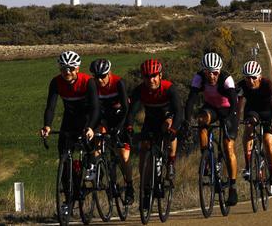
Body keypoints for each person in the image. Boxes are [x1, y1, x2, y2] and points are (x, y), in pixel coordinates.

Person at [39, 50, 99, 217]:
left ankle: (91, 162)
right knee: (65, 159)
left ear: (77, 68)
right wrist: (47, 125)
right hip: (70, 118)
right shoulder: (56, 82)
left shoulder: (88, 82)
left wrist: (91, 127)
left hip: (88, 116)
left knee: (88, 140)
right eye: (64, 68)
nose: (67, 72)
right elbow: (50, 106)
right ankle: (68, 199)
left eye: (71, 68)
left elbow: (96, 108)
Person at [185, 52, 240, 207]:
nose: (212, 76)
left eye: (215, 72)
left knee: (228, 147)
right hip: (211, 109)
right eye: (208, 72)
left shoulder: (226, 79)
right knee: (202, 119)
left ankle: (233, 187)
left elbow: (235, 105)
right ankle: (207, 159)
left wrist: (229, 121)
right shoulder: (198, 78)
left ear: (219, 71)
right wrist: (187, 121)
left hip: (228, 110)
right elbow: (191, 100)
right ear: (203, 71)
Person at [128, 58, 183, 210]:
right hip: (150, 120)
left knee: (168, 126)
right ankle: (146, 191)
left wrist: (174, 129)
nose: (151, 79)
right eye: (147, 76)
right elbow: (132, 112)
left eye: (154, 76)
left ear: (160, 75)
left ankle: (170, 162)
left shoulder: (169, 88)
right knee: (145, 153)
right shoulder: (140, 90)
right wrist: (129, 127)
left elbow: (179, 111)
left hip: (167, 118)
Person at [90, 58, 133, 204]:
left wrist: (120, 128)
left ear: (109, 73)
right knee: (98, 135)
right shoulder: (93, 85)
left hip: (121, 117)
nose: (100, 80)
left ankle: (129, 186)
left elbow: (126, 109)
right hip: (105, 117)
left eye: (102, 76)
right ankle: (97, 169)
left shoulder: (118, 83)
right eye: (96, 77)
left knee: (123, 154)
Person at [237, 60, 272, 196]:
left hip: (268, 113)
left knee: (268, 142)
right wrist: (236, 119)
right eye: (247, 78)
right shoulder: (241, 86)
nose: (250, 81)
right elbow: (238, 105)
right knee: (249, 126)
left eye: (253, 77)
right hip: (252, 112)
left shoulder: (268, 85)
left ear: (260, 77)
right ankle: (248, 165)